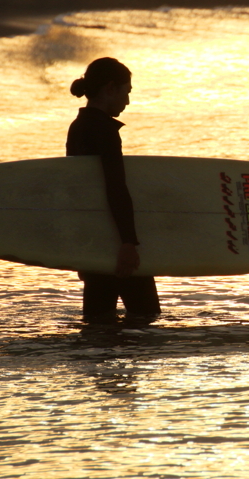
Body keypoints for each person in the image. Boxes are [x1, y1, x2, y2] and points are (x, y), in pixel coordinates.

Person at [66, 58, 160, 320]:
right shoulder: (105, 130)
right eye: (126, 91)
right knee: (146, 321)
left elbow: (78, 192)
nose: (128, 101)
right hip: (116, 243)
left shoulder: (78, 126)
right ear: (110, 88)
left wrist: (82, 249)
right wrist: (129, 243)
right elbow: (115, 187)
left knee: (97, 327)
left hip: (95, 242)